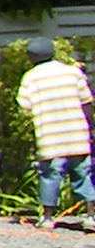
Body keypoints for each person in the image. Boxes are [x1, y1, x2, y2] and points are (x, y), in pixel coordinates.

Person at [19, 41, 94, 219]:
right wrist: (90, 128)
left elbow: (25, 104)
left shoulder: (30, 77)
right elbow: (86, 102)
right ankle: (91, 216)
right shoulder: (72, 72)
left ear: (31, 57)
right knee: (83, 174)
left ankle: (47, 217)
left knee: (50, 175)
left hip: (50, 136)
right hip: (77, 134)